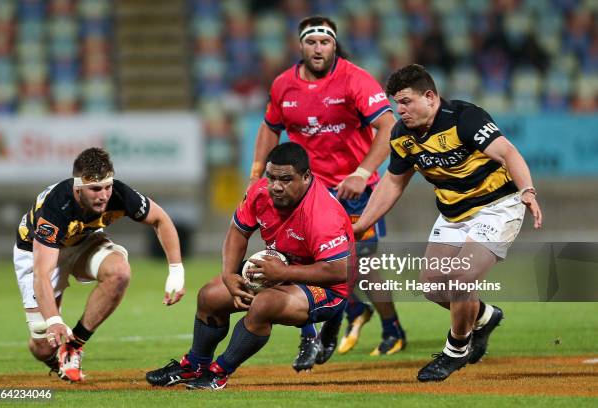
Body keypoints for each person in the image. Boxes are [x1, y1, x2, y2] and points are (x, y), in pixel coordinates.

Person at [353, 64, 543, 382]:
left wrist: (527, 190)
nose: (399, 110)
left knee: (461, 277)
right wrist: (362, 225)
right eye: (396, 103)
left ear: (430, 97)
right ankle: (484, 316)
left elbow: (508, 153)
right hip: (454, 213)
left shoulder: (464, 118)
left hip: (497, 207)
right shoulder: (402, 136)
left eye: (405, 101)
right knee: (432, 286)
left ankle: (455, 351)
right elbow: (393, 183)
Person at [248, 15, 406, 372]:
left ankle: (390, 327)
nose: (318, 48)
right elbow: (269, 128)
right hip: (308, 194)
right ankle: (312, 336)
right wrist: (257, 174)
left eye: (325, 42)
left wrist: (362, 171)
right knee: (296, 264)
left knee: (358, 266)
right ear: (300, 45)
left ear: (334, 45)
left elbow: (388, 127)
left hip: (357, 192)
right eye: (311, 42)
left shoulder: (356, 80)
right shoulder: (283, 86)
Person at [145, 142, 354, 389]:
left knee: (264, 305)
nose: (276, 186)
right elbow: (238, 232)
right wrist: (228, 275)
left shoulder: (322, 214)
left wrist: (284, 273)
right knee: (210, 296)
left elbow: (341, 270)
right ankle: (194, 366)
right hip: (280, 269)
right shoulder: (260, 192)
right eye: (272, 177)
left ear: (306, 176)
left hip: (327, 288)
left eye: (286, 179)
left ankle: (218, 373)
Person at [13, 147, 185, 382]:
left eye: (107, 187)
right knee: (43, 346)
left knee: (119, 272)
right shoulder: (55, 208)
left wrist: (176, 271)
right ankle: (56, 358)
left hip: (84, 241)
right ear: (78, 187)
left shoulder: (119, 194)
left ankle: (73, 348)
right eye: (95, 189)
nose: (103, 195)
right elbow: (42, 274)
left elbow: (160, 219)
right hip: (36, 251)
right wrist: (53, 321)